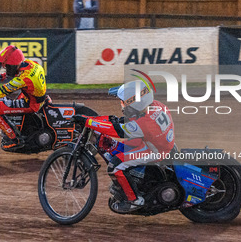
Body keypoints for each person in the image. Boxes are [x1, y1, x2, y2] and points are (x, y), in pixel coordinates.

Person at [73, 81, 175, 213]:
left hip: (155, 151)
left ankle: (134, 200)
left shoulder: (145, 123)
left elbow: (118, 131)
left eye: (124, 102)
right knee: (119, 148)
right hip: (156, 142)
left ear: (135, 103)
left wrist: (88, 121)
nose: (122, 105)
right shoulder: (156, 106)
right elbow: (130, 122)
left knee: (115, 166)